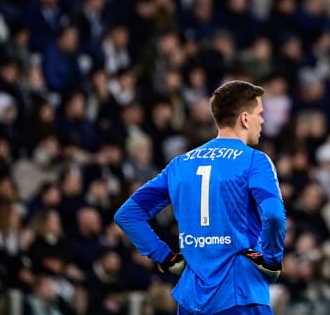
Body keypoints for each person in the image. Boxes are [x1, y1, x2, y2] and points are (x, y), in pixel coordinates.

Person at [114, 80, 286, 314]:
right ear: (245, 118)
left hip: (191, 301)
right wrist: (272, 259)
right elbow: (274, 215)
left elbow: (127, 214)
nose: (263, 120)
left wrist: (165, 257)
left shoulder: (180, 164)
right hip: (240, 295)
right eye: (260, 114)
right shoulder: (255, 161)